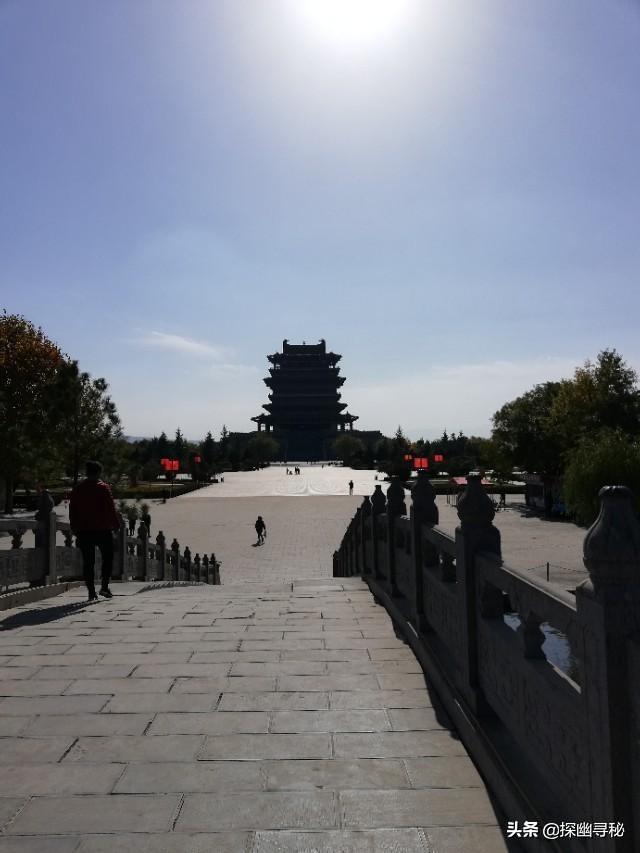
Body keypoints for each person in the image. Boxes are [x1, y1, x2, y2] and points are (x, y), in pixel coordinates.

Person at [69, 461, 121, 602]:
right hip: (103, 530)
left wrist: (75, 528)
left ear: (87, 473)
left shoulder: (78, 489)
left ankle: (91, 592)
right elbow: (111, 509)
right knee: (108, 559)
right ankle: (104, 587)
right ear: (99, 472)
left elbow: (72, 511)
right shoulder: (103, 488)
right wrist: (116, 526)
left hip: (84, 531)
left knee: (88, 562)